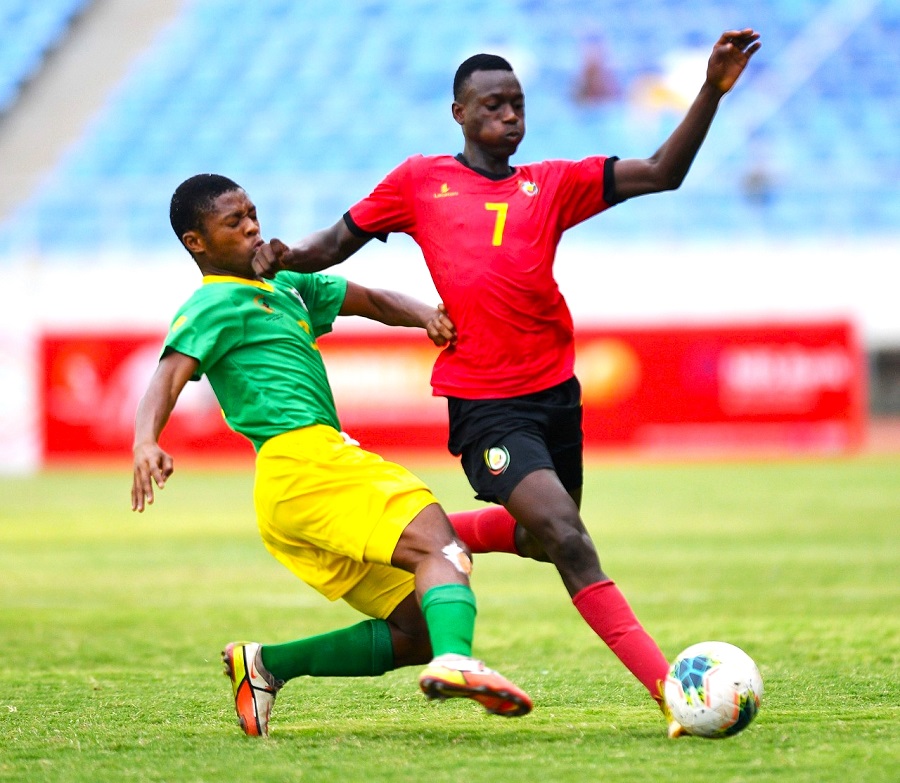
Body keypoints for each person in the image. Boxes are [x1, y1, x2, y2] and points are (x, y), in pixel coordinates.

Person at [251, 29, 761, 737]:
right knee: (570, 536)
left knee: (538, 536)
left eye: (517, 104)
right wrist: (281, 255)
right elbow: (332, 244)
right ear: (458, 114)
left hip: (555, 392)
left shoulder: (551, 183)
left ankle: (424, 535)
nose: (510, 116)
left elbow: (661, 172)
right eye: (492, 105)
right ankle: (670, 689)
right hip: (486, 403)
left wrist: (711, 89)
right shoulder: (417, 181)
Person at [130, 173, 532, 738]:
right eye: (233, 222)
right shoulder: (214, 301)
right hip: (304, 461)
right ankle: (459, 662)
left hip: (296, 486)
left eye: (252, 213)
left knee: (415, 630)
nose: (252, 227)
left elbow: (367, 299)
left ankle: (268, 665)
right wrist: (146, 439)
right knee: (438, 542)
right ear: (197, 242)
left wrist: (425, 315)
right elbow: (169, 373)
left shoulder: (288, 284)